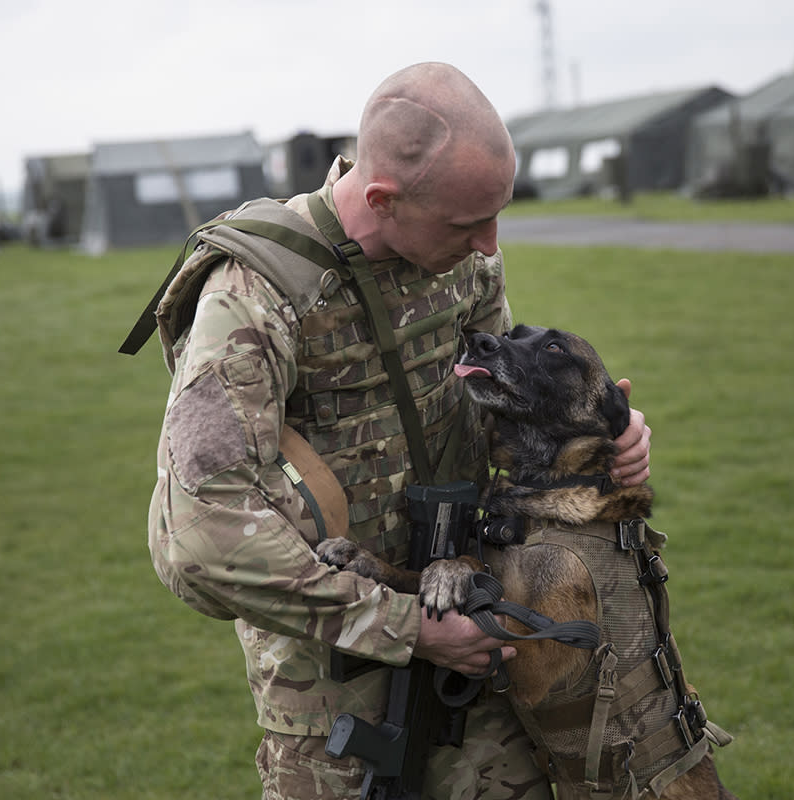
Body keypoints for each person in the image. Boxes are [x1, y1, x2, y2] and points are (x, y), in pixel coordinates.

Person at [145, 62, 651, 799]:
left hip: (480, 630)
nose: (488, 245)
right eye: (467, 224)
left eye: (497, 216)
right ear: (382, 200)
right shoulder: (253, 296)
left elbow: (502, 410)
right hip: (338, 687)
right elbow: (199, 539)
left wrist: (616, 434)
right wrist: (407, 627)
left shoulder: (460, 259)